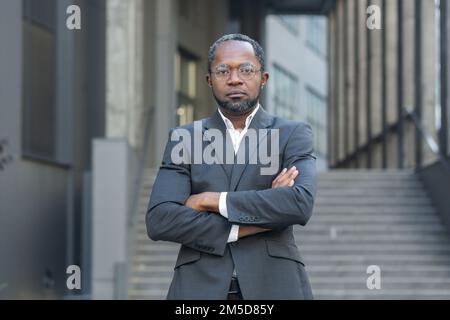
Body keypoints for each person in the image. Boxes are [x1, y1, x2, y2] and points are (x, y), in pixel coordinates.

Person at [146, 33, 317, 300]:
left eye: (246, 69)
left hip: (275, 285)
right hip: (198, 289)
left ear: (263, 78)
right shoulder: (185, 138)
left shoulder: (292, 134)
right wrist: (257, 218)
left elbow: (299, 204)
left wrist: (208, 200)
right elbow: (160, 220)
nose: (235, 78)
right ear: (209, 80)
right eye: (223, 70)